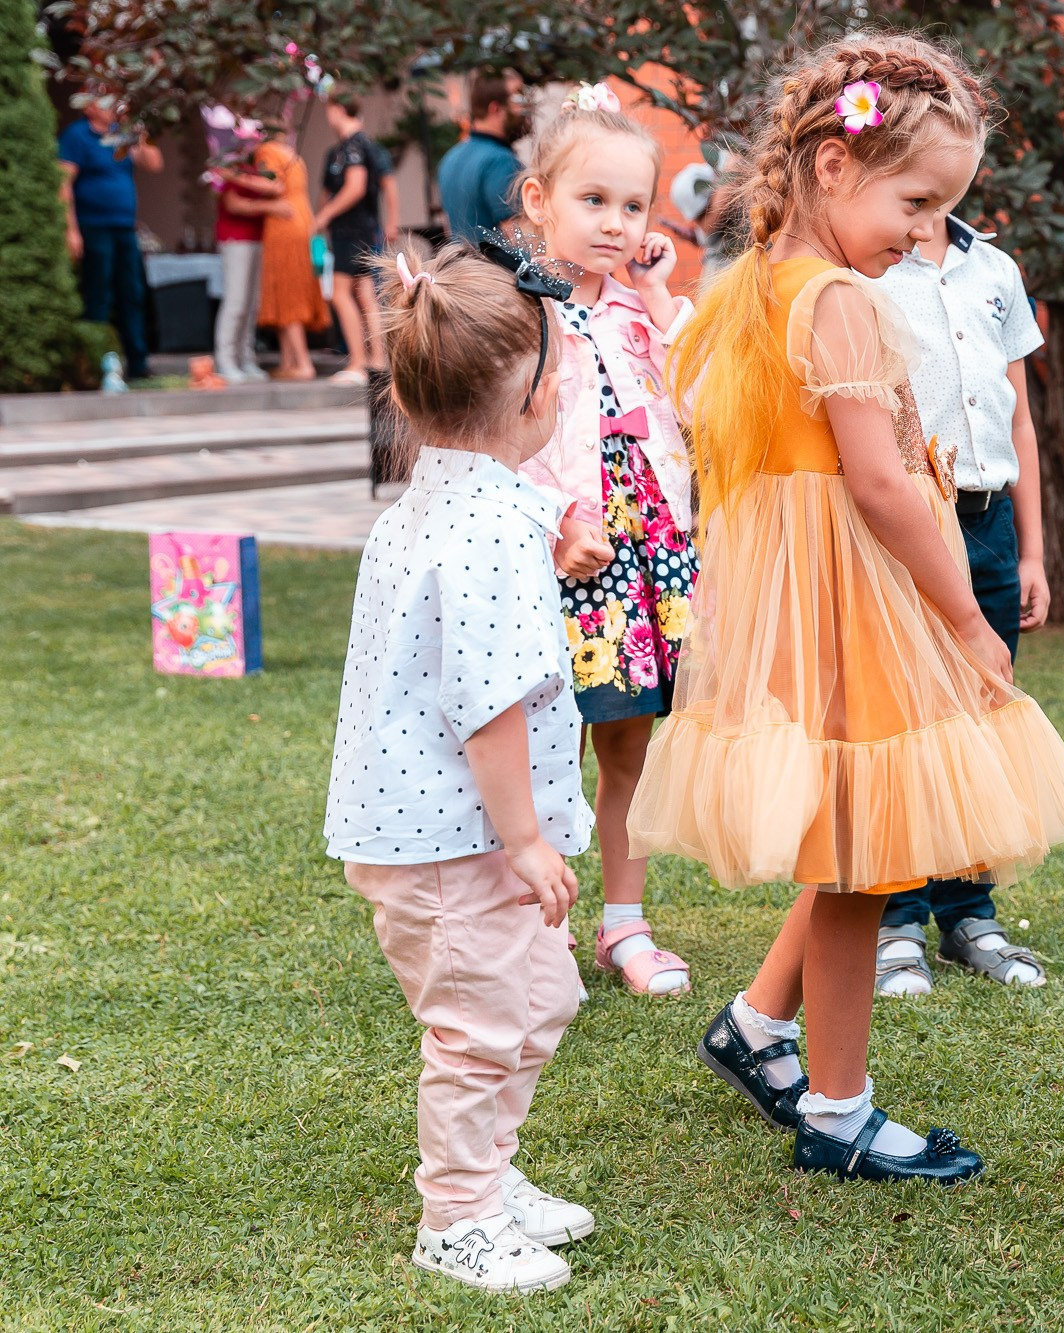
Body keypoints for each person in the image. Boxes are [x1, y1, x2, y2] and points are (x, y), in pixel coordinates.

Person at [625, 33, 1064, 1184]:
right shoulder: (837, 297)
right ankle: (837, 1112)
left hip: (801, 600)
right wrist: (962, 616)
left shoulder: (747, 284)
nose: (924, 229)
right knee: (856, 857)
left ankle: (758, 1025)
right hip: (853, 596)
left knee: (851, 827)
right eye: (914, 199)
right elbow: (880, 485)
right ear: (834, 168)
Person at [325, 242, 596, 1294]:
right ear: (535, 401)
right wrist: (525, 839)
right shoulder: (482, 528)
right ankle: (457, 1214)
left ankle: (489, 1168)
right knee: (483, 1021)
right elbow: (486, 705)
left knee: (538, 996)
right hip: (455, 837)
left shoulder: (453, 505)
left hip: (450, 829)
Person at [511, 83, 699, 999]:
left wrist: (661, 294)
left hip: (647, 550)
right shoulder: (514, 310)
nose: (618, 224)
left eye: (634, 206)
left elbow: (704, 399)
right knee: (547, 748)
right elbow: (489, 442)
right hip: (558, 558)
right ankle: (531, 930)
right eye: (594, 201)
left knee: (633, 744)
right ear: (538, 200)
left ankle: (623, 923)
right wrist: (554, 527)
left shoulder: (638, 311)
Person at [866, 206, 1050, 997]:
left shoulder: (995, 269)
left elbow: (1021, 418)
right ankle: (895, 915)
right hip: (911, 523)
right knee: (905, 717)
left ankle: (968, 910)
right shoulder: (868, 270)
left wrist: (1034, 551)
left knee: (980, 714)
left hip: (990, 522)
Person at [59, 96, 161, 380]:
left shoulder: (123, 134)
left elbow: (153, 163)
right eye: (105, 103)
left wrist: (135, 127)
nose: (112, 108)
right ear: (89, 107)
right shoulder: (77, 136)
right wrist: (71, 230)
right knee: (99, 294)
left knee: (132, 293)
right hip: (93, 227)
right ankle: (99, 363)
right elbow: (63, 184)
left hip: (124, 227)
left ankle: (138, 363)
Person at [313, 93, 398, 385]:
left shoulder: (353, 148)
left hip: (352, 230)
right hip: (361, 229)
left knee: (340, 293)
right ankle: (377, 360)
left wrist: (323, 216)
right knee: (365, 293)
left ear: (337, 110)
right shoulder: (361, 146)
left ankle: (359, 362)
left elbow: (355, 187)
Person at [209, 115, 288, 384]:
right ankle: (226, 360)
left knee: (252, 302)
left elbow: (276, 186)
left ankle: (246, 357)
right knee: (237, 300)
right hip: (235, 238)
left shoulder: (252, 168)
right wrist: (269, 207)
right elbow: (233, 205)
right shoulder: (231, 165)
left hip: (257, 237)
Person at [255, 123, 331, 380]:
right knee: (294, 287)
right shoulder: (293, 155)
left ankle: (302, 364)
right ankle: (288, 362)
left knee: (287, 293)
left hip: (283, 225)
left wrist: (233, 176)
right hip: (302, 219)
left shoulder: (265, 151)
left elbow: (273, 186)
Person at [439, 70, 528, 240]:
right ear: (495, 108)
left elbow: (449, 227)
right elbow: (519, 236)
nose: (523, 109)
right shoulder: (500, 161)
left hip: (462, 264)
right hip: (494, 266)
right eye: (517, 100)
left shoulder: (450, 158)